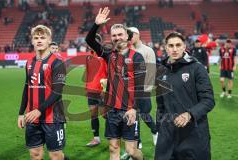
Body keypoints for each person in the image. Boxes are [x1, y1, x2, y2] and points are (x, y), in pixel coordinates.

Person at [85, 7, 145, 160]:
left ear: (127, 36)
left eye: (120, 34)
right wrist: (96, 24)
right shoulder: (108, 54)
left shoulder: (137, 57)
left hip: (129, 110)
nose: (117, 37)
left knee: (132, 151)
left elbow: (140, 87)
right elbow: (89, 40)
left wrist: (133, 108)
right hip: (112, 109)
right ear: (111, 38)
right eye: (114, 35)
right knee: (113, 148)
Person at [155, 32, 215, 160]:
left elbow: (208, 100)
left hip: (194, 133)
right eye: (171, 46)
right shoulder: (160, 71)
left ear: (184, 47)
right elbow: (160, 104)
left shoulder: (197, 68)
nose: (175, 49)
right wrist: (159, 127)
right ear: (166, 48)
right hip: (168, 134)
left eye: (178, 45)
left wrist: (189, 114)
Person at [17, 25, 68, 160]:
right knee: (35, 155)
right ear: (32, 41)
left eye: (42, 38)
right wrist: (21, 113)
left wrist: (39, 110)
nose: (39, 40)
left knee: (56, 156)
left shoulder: (57, 62)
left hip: (54, 117)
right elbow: (26, 88)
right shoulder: (28, 63)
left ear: (49, 40)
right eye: (36, 38)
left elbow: (57, 92)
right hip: (32, 117)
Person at [128, 27, 158, 145]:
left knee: (144, 113)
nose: (129, 37)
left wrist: (147, 89)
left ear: (137, 34)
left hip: (143, 89)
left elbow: (151, 70)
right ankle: (137, 142)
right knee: (132, 115)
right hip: (130, 90)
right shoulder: (128, 51)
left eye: (131, 34)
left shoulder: (147, 50)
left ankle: (155, 131)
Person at [85, 33, 108, 147]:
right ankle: (96, 138)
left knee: (105, 115)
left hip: (102, 91)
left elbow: (110, 72)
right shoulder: (89, 56)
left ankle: (114, 135)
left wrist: (106, 88)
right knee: (93, 115)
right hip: (91, 90)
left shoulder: (105, 55)